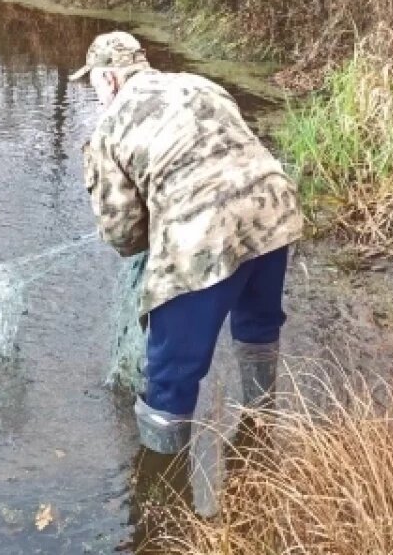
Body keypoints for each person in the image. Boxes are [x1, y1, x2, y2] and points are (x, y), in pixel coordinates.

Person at [71, 31, 302, 518]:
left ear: (108, 77)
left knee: (171, 374)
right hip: (274, 210)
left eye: (93, 82)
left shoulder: (109, 127)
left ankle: (161, 496)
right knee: (258, 326)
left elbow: (123, 235)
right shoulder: (199, 84)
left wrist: (154, 225)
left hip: (202, 237)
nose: (95, 92)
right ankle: (259, 428)